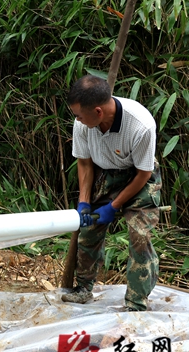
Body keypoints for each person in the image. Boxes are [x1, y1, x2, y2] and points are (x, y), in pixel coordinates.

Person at [63, 74, 161, 312]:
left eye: (79, 115)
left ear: (98, 111)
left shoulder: (140, 125)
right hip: (105, 174)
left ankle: (136, 302)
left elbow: (143, 174)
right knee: (88, 231)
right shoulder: (83, 125)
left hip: (139, 177)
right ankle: (84, 288)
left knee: (140, 237)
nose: (76, 119)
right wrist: (84, 202)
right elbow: (85, 163)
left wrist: (114, 206)